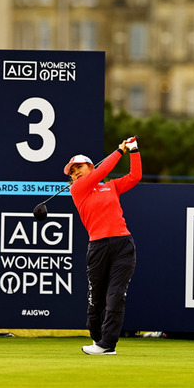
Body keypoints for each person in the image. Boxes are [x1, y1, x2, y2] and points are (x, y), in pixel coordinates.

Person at [66, 136, 142, 355]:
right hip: (98, 248)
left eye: (78, 167)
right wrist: (119, 151)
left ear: (90, 166)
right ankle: (98, 338)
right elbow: (100, 173)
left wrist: (134, 150)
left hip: (123, 245)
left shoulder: (112, 187)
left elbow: (135, 176)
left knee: (116, 296)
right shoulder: (78, 190)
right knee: (96, 299)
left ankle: (108, 344)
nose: (75, 173)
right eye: (72, 171)